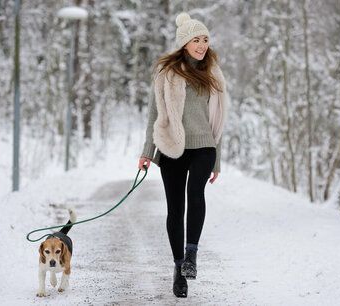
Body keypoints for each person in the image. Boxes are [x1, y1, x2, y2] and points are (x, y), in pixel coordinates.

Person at [137, 12, 228, 298]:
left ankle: (191, 256)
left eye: (205, 39)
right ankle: (179, 269)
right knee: (175, 209)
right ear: (184, 43)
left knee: (195, 194)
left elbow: (220, 118)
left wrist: (217, 158)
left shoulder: (213, 73)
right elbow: (154, 113)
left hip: (203, 146)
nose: (202, 45)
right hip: (172, 145)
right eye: (196, 40)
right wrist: (147, 153)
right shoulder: (166, 73)